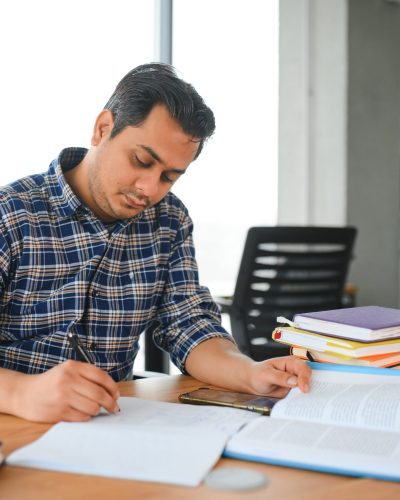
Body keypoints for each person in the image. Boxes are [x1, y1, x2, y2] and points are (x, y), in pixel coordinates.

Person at [0, 63, 311, 423]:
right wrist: (20, 393)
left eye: (168, 176)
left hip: (112, 427)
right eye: (141, 161)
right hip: (16, 425)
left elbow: (188, 324)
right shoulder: (11, 215)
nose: (150, 189)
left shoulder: (169, 221)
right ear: (103, 129)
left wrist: (249, 373)